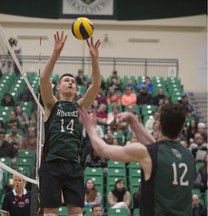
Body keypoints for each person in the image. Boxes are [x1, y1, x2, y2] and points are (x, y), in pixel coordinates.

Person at [78, 103, 195, 215]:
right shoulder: (188, 155)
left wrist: (91, 129)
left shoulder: (149, 153)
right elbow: (155, 146)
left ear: (158, 126)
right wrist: (133, 120)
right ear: (182, 127)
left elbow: (102, 149)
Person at [38, 31, 101, 216]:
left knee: (77, 213)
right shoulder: (51, 104)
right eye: (66, 80)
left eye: (73, 81)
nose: (71, 82)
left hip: (73, 165)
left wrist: (94, 58)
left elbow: (95, 85)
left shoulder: (80, 106)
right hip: (52, 164)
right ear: (58, 86)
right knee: (51, 212)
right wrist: (56, 52)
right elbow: (44, 79)